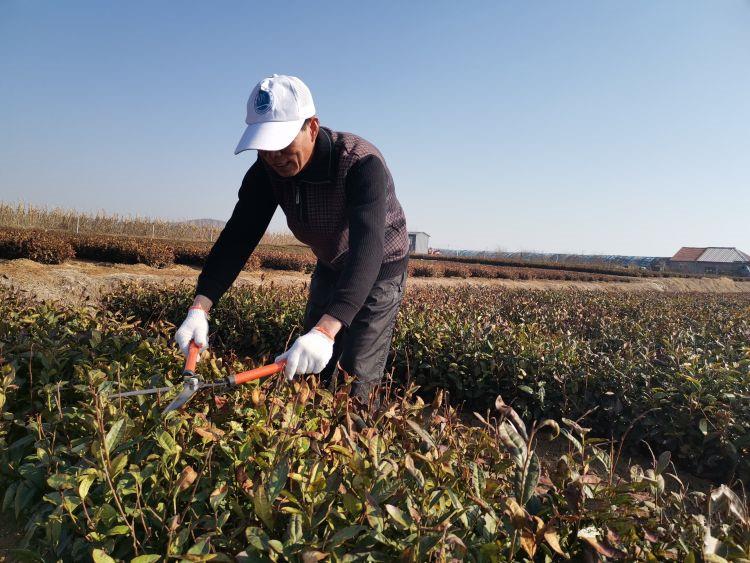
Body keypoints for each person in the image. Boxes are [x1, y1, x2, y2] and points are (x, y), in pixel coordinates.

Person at [175, 74, 409, 403]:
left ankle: (357, 427)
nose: (275, 157)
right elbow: (238, 236)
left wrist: (327, 330)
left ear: (311, 127)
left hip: (380, 266)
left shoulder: (360, 164)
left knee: (355, 373)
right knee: (307, 365)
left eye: (283, 144)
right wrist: (200, 307)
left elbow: (367, 250)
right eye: (265, 147)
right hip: (331, 262)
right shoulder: (267, 171)